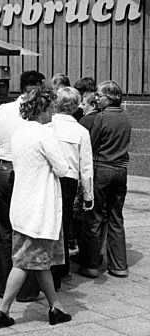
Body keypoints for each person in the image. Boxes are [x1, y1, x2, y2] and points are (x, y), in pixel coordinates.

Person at [0, 87, 72, 330]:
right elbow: (62, 167)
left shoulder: (19, 132)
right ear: (43, 108)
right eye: (51, 108)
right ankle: (2, 310)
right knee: (24, 261)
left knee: (39, 261)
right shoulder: (44, 134)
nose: (53, 112)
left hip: (23, 204)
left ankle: (55, 306)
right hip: (39, 207)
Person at [0, 70, 44, 302]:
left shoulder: (3, 109)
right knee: (27, 230)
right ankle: (26, 288)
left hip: (2, 169)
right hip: (24, 171)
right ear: (37, 88)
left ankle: (2, 284)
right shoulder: (37, 113)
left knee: (2, 229)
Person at [78, 81, 132, 279]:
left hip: (101, 170)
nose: (96, 98)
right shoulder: (126, 117)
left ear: (110, 97)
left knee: (94, 217)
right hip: (121, 170)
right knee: (116, 217)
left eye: (100, 95)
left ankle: (91, 265)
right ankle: (119, 265)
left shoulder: (101, 118)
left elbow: (90, 145)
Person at [49, 87, 94, 290]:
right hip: (70, 180)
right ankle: (62, 267)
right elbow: (86, 167)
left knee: (49, 223)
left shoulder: (48, 126)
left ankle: (49, 268)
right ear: (76, 105)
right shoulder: (81, 131)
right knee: (64, 222)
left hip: (49, 177)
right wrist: (88, 195)